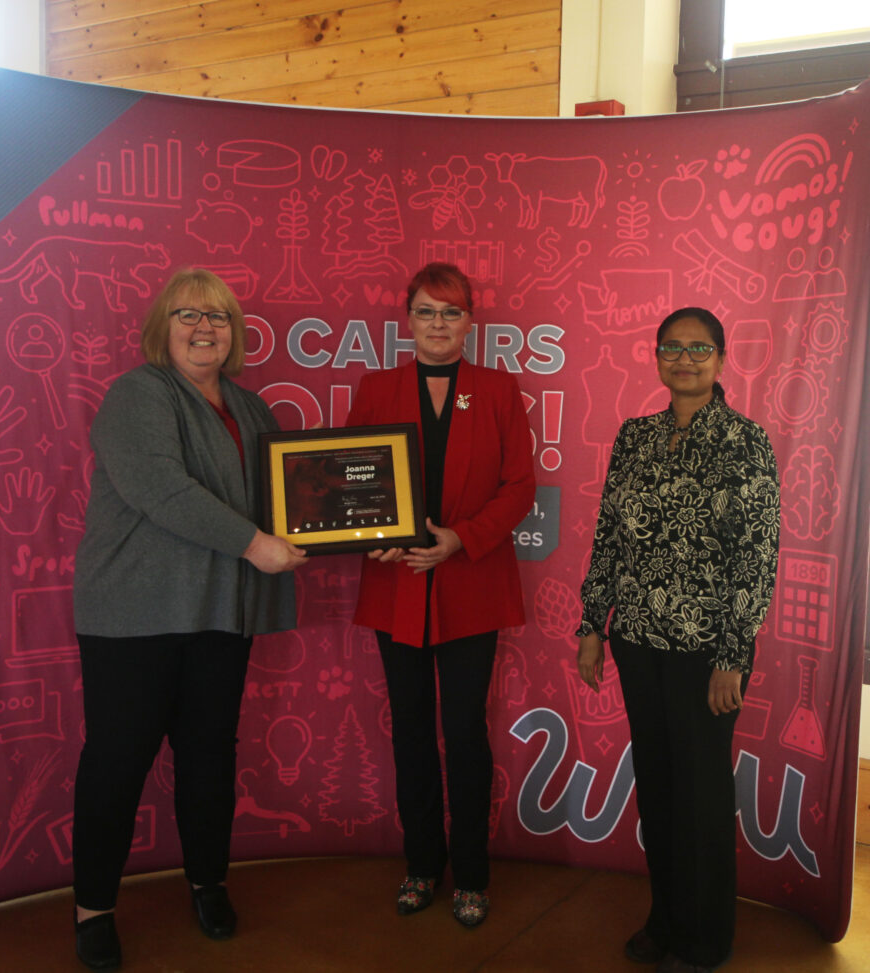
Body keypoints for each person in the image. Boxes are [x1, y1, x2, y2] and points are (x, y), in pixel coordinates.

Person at [71, 268, 307, 970]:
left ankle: (208, 883)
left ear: (234, 332)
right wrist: (256, 544)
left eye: (220, 317)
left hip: (218, 609)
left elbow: (287, 496)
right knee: (118, 761)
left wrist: (360, 528)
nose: (205, 328)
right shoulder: (136, 395)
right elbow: (161, 489)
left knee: (209, 756)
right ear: (161, 328)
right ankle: (92, 910)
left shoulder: (251, 407)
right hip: (133, 613)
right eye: (188, 315)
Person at [576, 307, 780, 973]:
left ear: (722, 360)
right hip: (636, 641)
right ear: (656, 357)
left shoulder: (745, 444)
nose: (684, 358)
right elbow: (609, 536)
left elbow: (756, 556)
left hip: (704, 654)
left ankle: (704, 937)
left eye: (699, 348)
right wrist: (591, 626)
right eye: (672, 347)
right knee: (658, 789)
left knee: (701, 798)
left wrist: (733, 656)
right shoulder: (634, 437)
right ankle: (664, 919)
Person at [347, 262, 536, 927]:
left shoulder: (497, 387)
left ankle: (473, 873)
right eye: (426, 311)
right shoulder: (376, 387)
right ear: (407, 319)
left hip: (470, 583)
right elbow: (355, 481)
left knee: (464, 732)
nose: (437, 324)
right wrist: (373, 531)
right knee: (411, 736)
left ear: (470, 323)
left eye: (450, 312)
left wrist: (462, 538)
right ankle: (421, 865)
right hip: (397, 584)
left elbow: (520, 486)